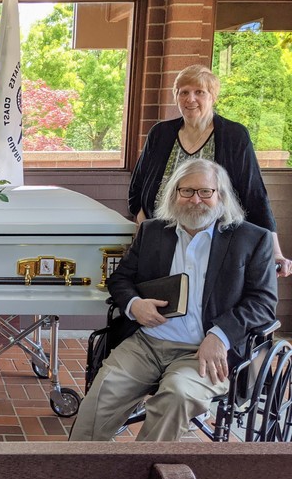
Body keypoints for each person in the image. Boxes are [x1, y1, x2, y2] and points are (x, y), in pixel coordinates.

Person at [70, 158, 277, 441]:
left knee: (176, 395)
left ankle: (144, 476)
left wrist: (220, 336)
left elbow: (263, 301)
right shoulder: (154, 231)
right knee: (104, 391)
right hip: (147, 343)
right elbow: (120, 279)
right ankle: (75, 472)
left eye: (206, 192)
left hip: (204, 352)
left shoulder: (252, 240)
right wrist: (134, 305)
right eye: (187, 191)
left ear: (221, 196)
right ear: (174, 194)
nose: (196, 200)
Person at [128, 64, 291, 277]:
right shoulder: (160, 133)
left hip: (218, 246)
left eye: (199, 92)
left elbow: (255, 196)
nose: (190, 99)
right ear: (176, 96)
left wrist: (275, 252)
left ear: (213, 96)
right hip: (163, 243)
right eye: (183, 92)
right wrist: (147, 231)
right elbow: (137, 190)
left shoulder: (234, 136)